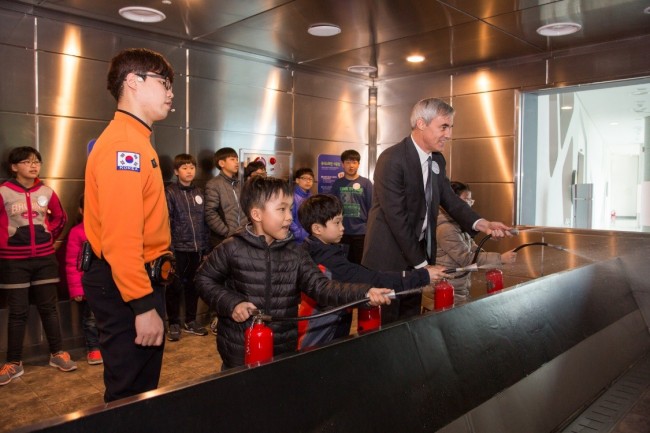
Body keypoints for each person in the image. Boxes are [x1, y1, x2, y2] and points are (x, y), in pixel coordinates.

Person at [195, 176, 394, 369]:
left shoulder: (295, 253)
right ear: (257, 214)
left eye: (290, 209)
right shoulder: (232, 247)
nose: (290, 216)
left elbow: (322, 287)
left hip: (282, 351)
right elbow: (203, 279)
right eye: (281, 209)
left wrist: (364, 294)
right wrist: (231, 303)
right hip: (239, 352)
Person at [362, 97, 513, 324]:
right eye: (443, 126)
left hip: (417, 256)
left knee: (410, 322)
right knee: (387, 327)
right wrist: (423, 267)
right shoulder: (392, 159)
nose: (448, 134)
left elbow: (450, 199)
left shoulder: (437, 161)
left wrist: (484, 224)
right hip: (388, 260)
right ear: (421, 124)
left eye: (450, 127)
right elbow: (396, 218)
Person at [82, 48, 174, 402]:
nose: (170, 93)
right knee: (130, 392)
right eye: (164, 83)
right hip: (126, 284)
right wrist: (142, 306)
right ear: (133, 82)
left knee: (139, 386)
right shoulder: (125, 146)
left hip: (132, 279)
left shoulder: (136, 140)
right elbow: (121, 240)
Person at [297, 194, 447, 349]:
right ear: (317, 228)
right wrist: (423, 276)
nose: (343, 227)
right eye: (337, 223)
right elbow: (372, 278)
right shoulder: (327, 260)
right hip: (320, 337)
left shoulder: (313, 250)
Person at [0, 146, 76, 387]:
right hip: (14, 261)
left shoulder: (46, 191)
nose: (33, 166)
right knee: (18, 311)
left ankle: (57, 354)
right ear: (14, 167)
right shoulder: (4, 192)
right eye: (26, 162)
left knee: (48, 308)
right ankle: (14, 362)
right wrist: (8, 241)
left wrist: (47, 237)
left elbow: (60, 217)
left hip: (44, 260)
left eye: (37, 162)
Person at [422, 181, 518, 309]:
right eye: (465, 201)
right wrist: (500, 259)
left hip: (457, 293)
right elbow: (466, 259)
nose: (469, 206)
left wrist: (493, 257)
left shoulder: (458, 225)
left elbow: (473, 248)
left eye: (470, 201)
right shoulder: (446, 228)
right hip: (441, 296)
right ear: (451, 202)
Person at [164, 153, 210, 341]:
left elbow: (205, 222)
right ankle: (173, 322)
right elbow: (166, 221)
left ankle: (190, 320)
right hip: (178, 248)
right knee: (174, 286)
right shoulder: (170, 192)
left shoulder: (199, 192)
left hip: (197, 248)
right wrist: (169, 248)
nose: (189, 171)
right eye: (184, 168)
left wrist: (205, 248)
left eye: (192, 167)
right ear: (176, 172)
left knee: (194, 285)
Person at [65, 193, 102, 365]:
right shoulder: (77, 232)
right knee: (91, 319)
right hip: (88, 287)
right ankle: (93, 348)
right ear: (81, 211)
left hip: (109, 285)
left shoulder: (109, 229)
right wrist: (77, 289)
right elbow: (71, 263)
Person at [330, 150, 373, 264]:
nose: (351, 165)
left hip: (362, 233)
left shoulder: (366, 183)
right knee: (343, 264)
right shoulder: (337, 184)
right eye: (348, 162)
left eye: (354, 162)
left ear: (358, 164)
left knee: (361, 264)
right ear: (342, 164)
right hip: (341, 232)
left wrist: (370, 229)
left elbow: (372, 208)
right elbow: (332, 208)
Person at [204, 147, 247, 248]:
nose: (236, 162)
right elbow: (210, 213)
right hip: (223, 240)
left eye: (237, 159)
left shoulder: (239, 184)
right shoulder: (213, 184)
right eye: (232, 159)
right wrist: (226, 232)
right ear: (222, 163)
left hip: (242, 237)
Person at [289, 167, 314, 244]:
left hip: (309, 236)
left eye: (310, 179)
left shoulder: (311, 197)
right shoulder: (291, 197)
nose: (308, 181)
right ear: (297, 180)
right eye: (304, 178)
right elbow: (289, 219)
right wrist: (299, 234)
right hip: (296, 239)